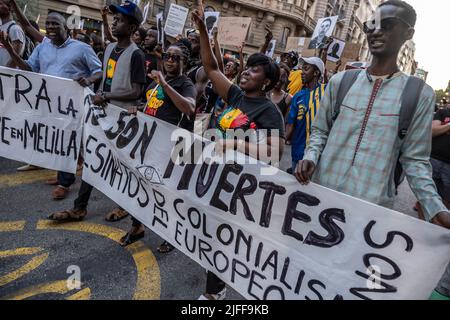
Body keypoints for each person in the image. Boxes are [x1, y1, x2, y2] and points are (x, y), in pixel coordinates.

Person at [296, 1, 450, 230]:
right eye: (371, 25)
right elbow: (320, 132)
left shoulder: (418, 94)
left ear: (408, 33)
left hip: (369, 213)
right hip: (319, 198)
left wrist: (435, 208)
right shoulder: (341, 82)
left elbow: (415, 160)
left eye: (387, 25)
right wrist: (311, 156)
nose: (376, 31)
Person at [192, 3, 285, 300]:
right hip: (216, 174)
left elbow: (273, 152)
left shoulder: (270, 112)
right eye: (248, 67)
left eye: (255, 71)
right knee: (212, 233)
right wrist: (204, 31)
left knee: (224, 237)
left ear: (267, 81)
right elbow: (211, 68)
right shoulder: (235, 95)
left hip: (242, 186)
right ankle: (216, 283)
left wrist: (234, 143)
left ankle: (213, 293)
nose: (246, 72)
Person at [47, 0, 146, 222]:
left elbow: (137, 91)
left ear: (131, 28)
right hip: (102, 116)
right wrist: (90, 80)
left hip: (121, 119)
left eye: (120, 20)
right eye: (114, 19)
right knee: (93, 159)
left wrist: (107, 96)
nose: (114, 23)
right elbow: (105, 76)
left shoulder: (137, 54)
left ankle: (124, 205)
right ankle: (79, 208)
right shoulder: (110, 48)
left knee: (121, 165)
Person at [0, 11, 103, 199]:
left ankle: (65, 183)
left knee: (67, 139)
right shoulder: (42, 47)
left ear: (67, 28)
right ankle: (60, 172)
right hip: (47, 104)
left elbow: (98, 71)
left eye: (55, 24)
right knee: (53, 139)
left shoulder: (82, 48)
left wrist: (88, 80)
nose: (50, 27)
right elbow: (29, 68)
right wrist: (9, 48)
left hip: (70, 106)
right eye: (48, 24)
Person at [121, 40, 196, 248]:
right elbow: (154, 105)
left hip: (175, 149)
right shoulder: (154, 83)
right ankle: (137, 227)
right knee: (142, 186)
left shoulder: (184, 83)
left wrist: (164, 83)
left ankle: (172, 235)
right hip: (151, 145)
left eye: (175, 58)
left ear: (185, 62)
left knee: (169, 193)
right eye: (167, 57)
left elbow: (189, 108)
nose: (169, 60)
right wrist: (136, 109)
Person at [417, 103, 450, 298]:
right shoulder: (445, 111)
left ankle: (439, 248)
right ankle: (422, 237)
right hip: (434, 161)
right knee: (425, 200)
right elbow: (432, 131)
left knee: (445, 209)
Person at [286, 57, 325, 172]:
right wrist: (279, 143)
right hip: (298, 152)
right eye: (302, 69)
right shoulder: (298, 96)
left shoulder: (325, 92)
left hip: (317, 154)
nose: (302, 72)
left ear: (316, 73)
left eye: (306, 69)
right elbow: (290, 124)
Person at [0, 0, 25, 66]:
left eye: (0, 4)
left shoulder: (15, 29)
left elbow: (16, 57)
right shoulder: (1, 27)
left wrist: (5, 72)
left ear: (10, 8)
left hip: (7, 75)